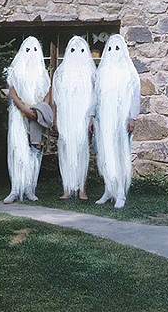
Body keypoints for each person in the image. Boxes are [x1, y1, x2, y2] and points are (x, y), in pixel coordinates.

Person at [93, 34, 140, 209]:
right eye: (110, 48)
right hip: (104, 119)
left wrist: (132, 117)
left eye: (117, 48)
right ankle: (108, 189)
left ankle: (120, 192)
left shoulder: (130, 72)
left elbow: (135, 96)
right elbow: (96, 96)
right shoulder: (102, 73)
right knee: (106, 155)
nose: (114, 51)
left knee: (120, 155)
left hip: (121, 120)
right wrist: (91, 116)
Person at [3, 36, 51, 204]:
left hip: (36, 116)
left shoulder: (43, 74)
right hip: (19, 115)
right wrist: (24, 109)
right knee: (18, 150)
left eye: (35, 50)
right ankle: (15, 189)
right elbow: (13, 93)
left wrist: (39, 110)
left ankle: (30, 188)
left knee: (35, 151)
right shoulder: (16, 72)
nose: (31, 54)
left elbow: (47, 94)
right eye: (28, 50)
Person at [52, 35, 96, 202]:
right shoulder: (61, 73)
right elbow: (56, 98)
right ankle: (67, 188)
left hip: (82, 118)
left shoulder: (91, 73)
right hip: (65, 118)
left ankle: (82, 189)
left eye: (81, 50)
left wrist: (91, 118)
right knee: (65, 151)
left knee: (82, 151)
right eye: (73, 50)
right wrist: (55, 119)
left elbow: (95, 97)